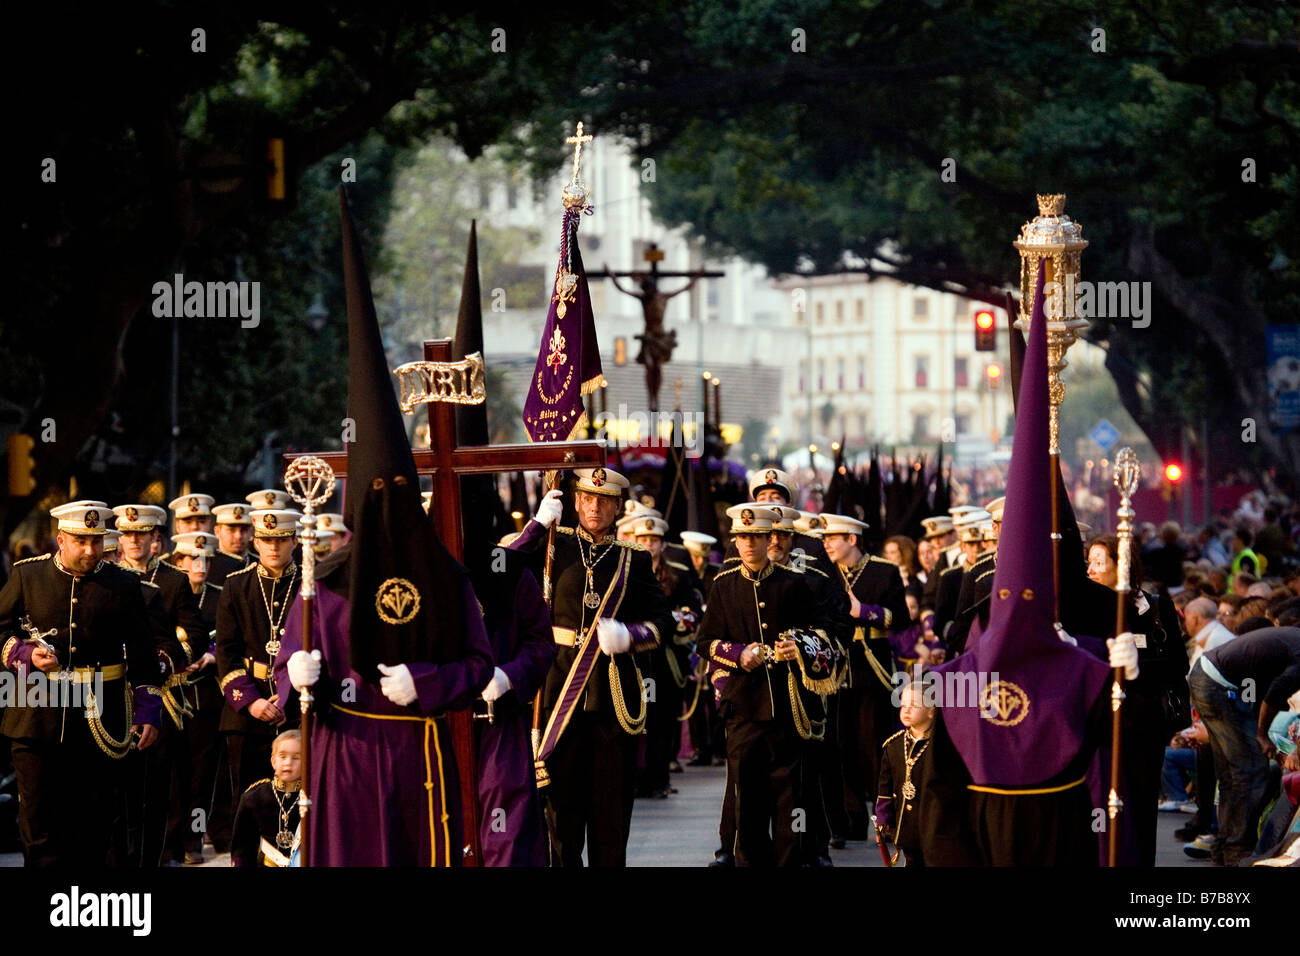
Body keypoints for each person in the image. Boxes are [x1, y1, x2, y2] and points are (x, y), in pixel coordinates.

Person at [279, 191, 494, 867]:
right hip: (342, 751)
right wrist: (297, 675)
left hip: (416, 756)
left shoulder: (447, 579)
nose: (391, 507)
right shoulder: (327, 585)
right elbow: (292, 676)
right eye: (377, 498)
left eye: (402, 495)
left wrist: (426, 684)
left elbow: (478, 666)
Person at [508, 467, 674, 866]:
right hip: (558, 692)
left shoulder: (633, 560)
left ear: (618, 506)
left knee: (610, 816)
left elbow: (663, 623)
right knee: (562, 817)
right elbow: (500, 570)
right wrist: (534, 527)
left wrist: (631, 635)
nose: (594, 507)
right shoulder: (552, 544)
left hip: (612, 700)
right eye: (586, 498)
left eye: (603, 500)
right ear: (575, 501)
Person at [0, 503, 164, 866]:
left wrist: (149, 710)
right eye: (80, 541)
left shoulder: (123, 583)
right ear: (61, 539)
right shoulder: (28, 575)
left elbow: (142, 652)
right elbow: (1, 630)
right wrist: (24, 654)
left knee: (95, 820)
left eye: (95, 541)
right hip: (36, 713)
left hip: (100, 717)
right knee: (39, 822)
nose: (90, 550)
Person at [694, 504, 835, 866]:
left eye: (754, 537)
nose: (747, 544)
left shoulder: (794, 582)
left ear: (768, 538)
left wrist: (799, 646)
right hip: (743, 707)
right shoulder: (723, 585)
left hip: (788, 705)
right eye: (741, 538)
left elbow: (823, 634)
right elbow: (705, 642)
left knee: (791, 800)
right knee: (747, 801)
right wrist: (738, 654)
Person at [1086, 531, 1189, 866]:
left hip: (1145, 725)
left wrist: (1136, 666)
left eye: (1099, 562)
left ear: (1123, 565)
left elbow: (1177, 665)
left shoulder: (1156, 607)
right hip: (1101, 726)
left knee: (1142, 804)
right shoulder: (1086, 613)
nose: (1091, 570)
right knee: (1101, 807)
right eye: (1089, 562)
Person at [821, 512, 910, 841]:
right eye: (825, 538)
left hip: (872, 666)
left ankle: (884, 818)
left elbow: (900, 618)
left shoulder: (883, 571)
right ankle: (848, 821)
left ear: (852, 539)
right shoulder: (825, 572)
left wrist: (866, 612)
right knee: (840, 745)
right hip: (835, 667)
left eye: (834, 538)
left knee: (873, 744)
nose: (827, 543)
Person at [1188, 626, 1300, 865]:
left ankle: (1224, 848)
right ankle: (1236, 850)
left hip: (1209, 677)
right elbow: (1275, 693)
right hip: (1217, 685)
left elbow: (1263, 689)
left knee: (1233, 773)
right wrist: (1261, 735)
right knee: (1250, 771)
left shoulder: (1292, 642)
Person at [216, 507, 301, 796]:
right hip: (247, 710)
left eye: (281, 539)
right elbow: (226, 651)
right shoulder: (236, 585)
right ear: (256, 542)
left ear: (295, 541)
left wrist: (289, 698)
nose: (273, 547)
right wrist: (251, 702)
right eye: (267, 540)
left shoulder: (310, 586)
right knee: (248, 794)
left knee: (297, 795)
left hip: (298, 707)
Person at [165, 531, 230, 864]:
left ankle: (193, 839)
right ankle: (170, 842)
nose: (200, 565)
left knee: (203, 776)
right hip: (169, 693)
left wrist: (214, 655)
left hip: (205, 695)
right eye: (191, 558)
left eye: (205, 558)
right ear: (178, 561)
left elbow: (233, 635)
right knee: (173, 775)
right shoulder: (164, 590)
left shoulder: (221, 595)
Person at [632, 516, 701, 798]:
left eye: (653, 541)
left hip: (666, 658)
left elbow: (693, 613)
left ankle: (659, 779)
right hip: (636, 657)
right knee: (636, 721)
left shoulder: (678, 575)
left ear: (662, 544)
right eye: (643, 540)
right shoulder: (628, 573)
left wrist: (675, 620)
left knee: (663, 722)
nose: (648, 545)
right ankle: (636, 780)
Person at [874, 678, 936, 867]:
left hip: (933, 826)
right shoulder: (893, 746)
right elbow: (885, 787)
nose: (906, 710)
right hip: (905, 826)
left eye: (914, 705)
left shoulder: (940, 747)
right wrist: (883, 818)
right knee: (912, 860)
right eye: (903, 705)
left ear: (931, 710)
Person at [230, 729, 301, 867]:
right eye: (282, 756)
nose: (288, 762)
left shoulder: (313, 798)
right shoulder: (254, 797)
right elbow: (242, 847)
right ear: (273, 761)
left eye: (296, 757)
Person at [210, 503, 254, 586]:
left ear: (251, 532)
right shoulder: (208, 564)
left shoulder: (259, 564)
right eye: (231, 530)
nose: (238, 536)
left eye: (244, 530)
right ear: (217, 532)